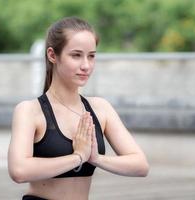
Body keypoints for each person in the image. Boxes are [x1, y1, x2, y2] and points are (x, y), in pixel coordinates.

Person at [8, 16, 149, 200]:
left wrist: (96, 158)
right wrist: (77, 157)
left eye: (91, 56)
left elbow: (140, 165)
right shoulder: (30, 111)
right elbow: (19, 170)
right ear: (52, 55)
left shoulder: (100, 108)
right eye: (76, 55)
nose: (86, 65)